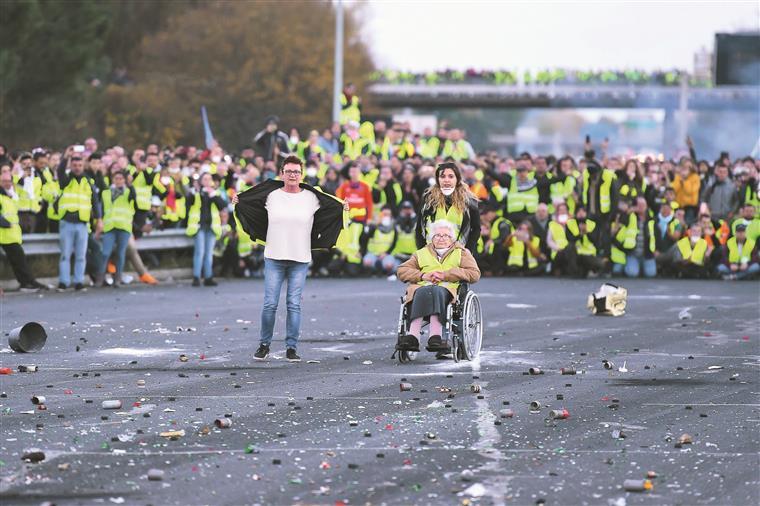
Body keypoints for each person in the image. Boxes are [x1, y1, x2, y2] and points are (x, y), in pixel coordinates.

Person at [234, 155, 346, 362]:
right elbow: (251, 205)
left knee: (294, 304)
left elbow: (332, 206)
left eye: (296, 172)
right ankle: (264, 345)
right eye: (289, 171)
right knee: (270, 304)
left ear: (301, 175)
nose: (293, 175)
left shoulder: (312, 198)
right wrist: (239, 202)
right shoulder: (271, 195)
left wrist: (342, 208)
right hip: (274, 257)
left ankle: (291, 348)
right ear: (282, 174)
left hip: (300, 257)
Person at [396, 220, 481, 353]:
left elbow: (474, 274)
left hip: (448, 289)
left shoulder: (462, 253)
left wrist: (446, 275)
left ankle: (435, 336)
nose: (441, 238)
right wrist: (423, 275)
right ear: (432, 238)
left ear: (452, 238)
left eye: (445, 235)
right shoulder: (421, 253)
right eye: (437, 235)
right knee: (421, 291)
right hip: (423, 287)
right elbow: (402, 270)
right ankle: (412, 337)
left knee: (435, 291)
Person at [57, 147, 102, 290]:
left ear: (84, 166)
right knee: (65, 255)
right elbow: (59, 171)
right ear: (71, 166)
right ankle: (64, 282)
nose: (77, 168)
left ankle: (78, 282)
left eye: (80, 165)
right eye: (74, 165)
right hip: (67, 223)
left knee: (81, 256)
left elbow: (95, 202)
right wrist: (66, 157)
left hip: (82, 224)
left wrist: (99, 219)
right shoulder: (66, 179)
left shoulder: (88, 181)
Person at [416, 162, 481, 252]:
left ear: (457, 179)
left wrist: (467, 250)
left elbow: (476, 229)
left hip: (458, 253)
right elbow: (419, 227)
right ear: (437, 179)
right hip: (431, 253)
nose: (446, 180)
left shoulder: (469, 201)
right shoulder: (428, 199)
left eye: (451, 176)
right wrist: (422, 250)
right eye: (442, 176)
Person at [0, 171, 48, 291]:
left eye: (9, 181)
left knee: (18, 261)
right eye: (4, 181)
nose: (7, 184)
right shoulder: (3, 196)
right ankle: (28, 283)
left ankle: (28, 282)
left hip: (10, 235)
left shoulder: (9, 195)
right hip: (4, 234)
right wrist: (5, 224)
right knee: (19, 261)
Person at [186, 172, 227, 287]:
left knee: (209, 253)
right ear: (200, 181)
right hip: (199, 226)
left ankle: (208, 277)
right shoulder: (195, 192)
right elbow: (189, 202)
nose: (207, 181)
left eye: (209, 179)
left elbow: (223, 205)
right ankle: (196, 277)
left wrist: (213, 195)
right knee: (200, 252)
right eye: (205, 179)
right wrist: (196, 191)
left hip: (212, 227)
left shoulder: (215, 193)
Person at [99, 171, 136, 286]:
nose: (118, 180)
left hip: (123, 227)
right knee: (105, 253)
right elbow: (101, 209)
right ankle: (100, 278)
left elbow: (134, 197)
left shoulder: (128, 192)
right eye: (116, 178)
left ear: (124, 180)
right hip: (110, 227)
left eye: (121, 178)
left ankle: (117, 279)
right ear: (112, 179)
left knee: (120, 254)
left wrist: (130, 184)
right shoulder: (106, 193)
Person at [361, 205, 399, 278]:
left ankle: (386, 272)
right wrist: (375, 225)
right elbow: (365, 238)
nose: (386, 216)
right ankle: (373, 271)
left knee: (389, 265)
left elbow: (394, 243)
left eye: (388, 215)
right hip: (373, 253)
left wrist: (386, 253)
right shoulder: (374, 226)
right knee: (367, 262)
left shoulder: (394, 227)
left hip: (387, 254)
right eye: (384, 214)